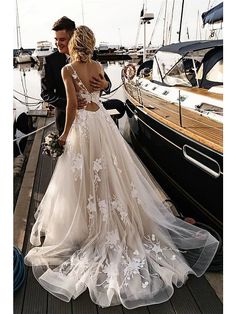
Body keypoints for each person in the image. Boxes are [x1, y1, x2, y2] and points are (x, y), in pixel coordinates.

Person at [25, 26, 219, 309]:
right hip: (101, 123)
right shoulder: (98, 66)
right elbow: (100, 91)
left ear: (75, 44)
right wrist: (101, 87)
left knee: (85, 178)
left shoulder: (69, 70)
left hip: (82, 127)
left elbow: (70, 107)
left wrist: (64, 135)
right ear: (91, 44)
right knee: (111, 174)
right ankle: (111, 221)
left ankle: (88, 226)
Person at [41, 16, 112, 135]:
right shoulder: (50, 61)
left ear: (73, 38)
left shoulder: (91, 57)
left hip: (92, 121)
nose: (58, 43)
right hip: (64, 120)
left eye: (62, 39)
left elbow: (107, 85)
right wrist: (69, 103)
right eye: (56, 39)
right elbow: (45, 93)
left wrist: (105, 85)